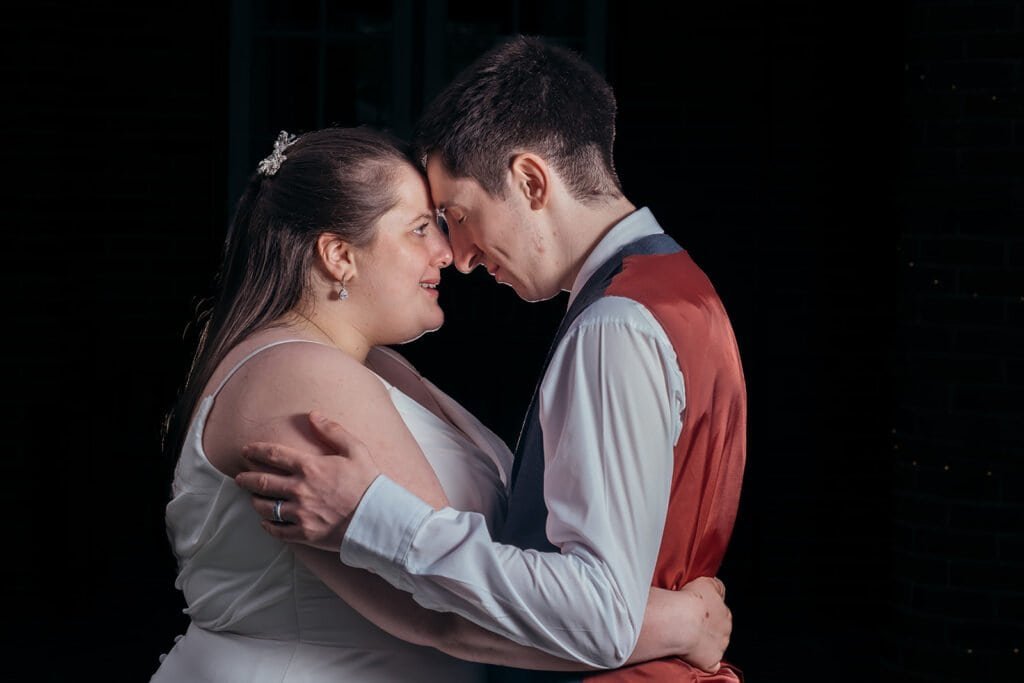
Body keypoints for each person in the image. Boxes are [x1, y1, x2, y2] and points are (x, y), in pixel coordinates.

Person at [236, 35, 747, 682]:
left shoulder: (614, 325)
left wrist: (373, 516)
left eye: (456, 214)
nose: (464, 256)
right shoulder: (681, 288)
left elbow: (600, 613)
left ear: (531, 180)